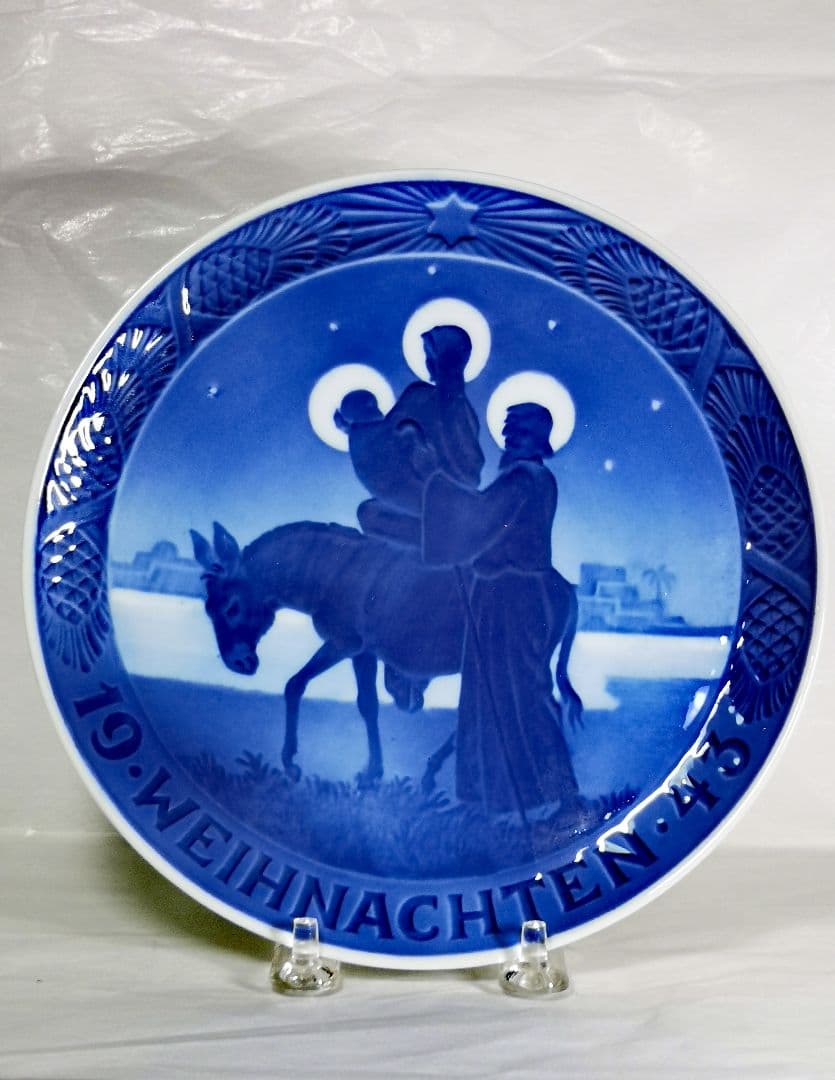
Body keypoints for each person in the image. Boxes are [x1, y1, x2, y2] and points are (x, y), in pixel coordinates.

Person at [417, 402, 581, 815]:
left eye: (519, 430)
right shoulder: (529, 477)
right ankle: (485, 799)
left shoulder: (523, 479)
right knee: (485, 694)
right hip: (500, 594)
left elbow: (478, 519)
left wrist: (436, 480)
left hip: (514, 597)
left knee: (523, 693)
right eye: (508, 430)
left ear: (538, 436)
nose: (510, 437)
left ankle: (563, 798)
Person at [344, 325, 484, 548]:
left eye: (430, 357)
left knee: (373, 515)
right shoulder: (420, 395)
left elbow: (468, 468)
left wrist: (423, 455)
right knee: (369, 513)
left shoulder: (450, 407)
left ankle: (442, 541)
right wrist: (355, 430)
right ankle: (435, 540)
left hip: (444, 499)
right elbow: (386, 432)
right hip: (420, 499)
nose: (428, 364)